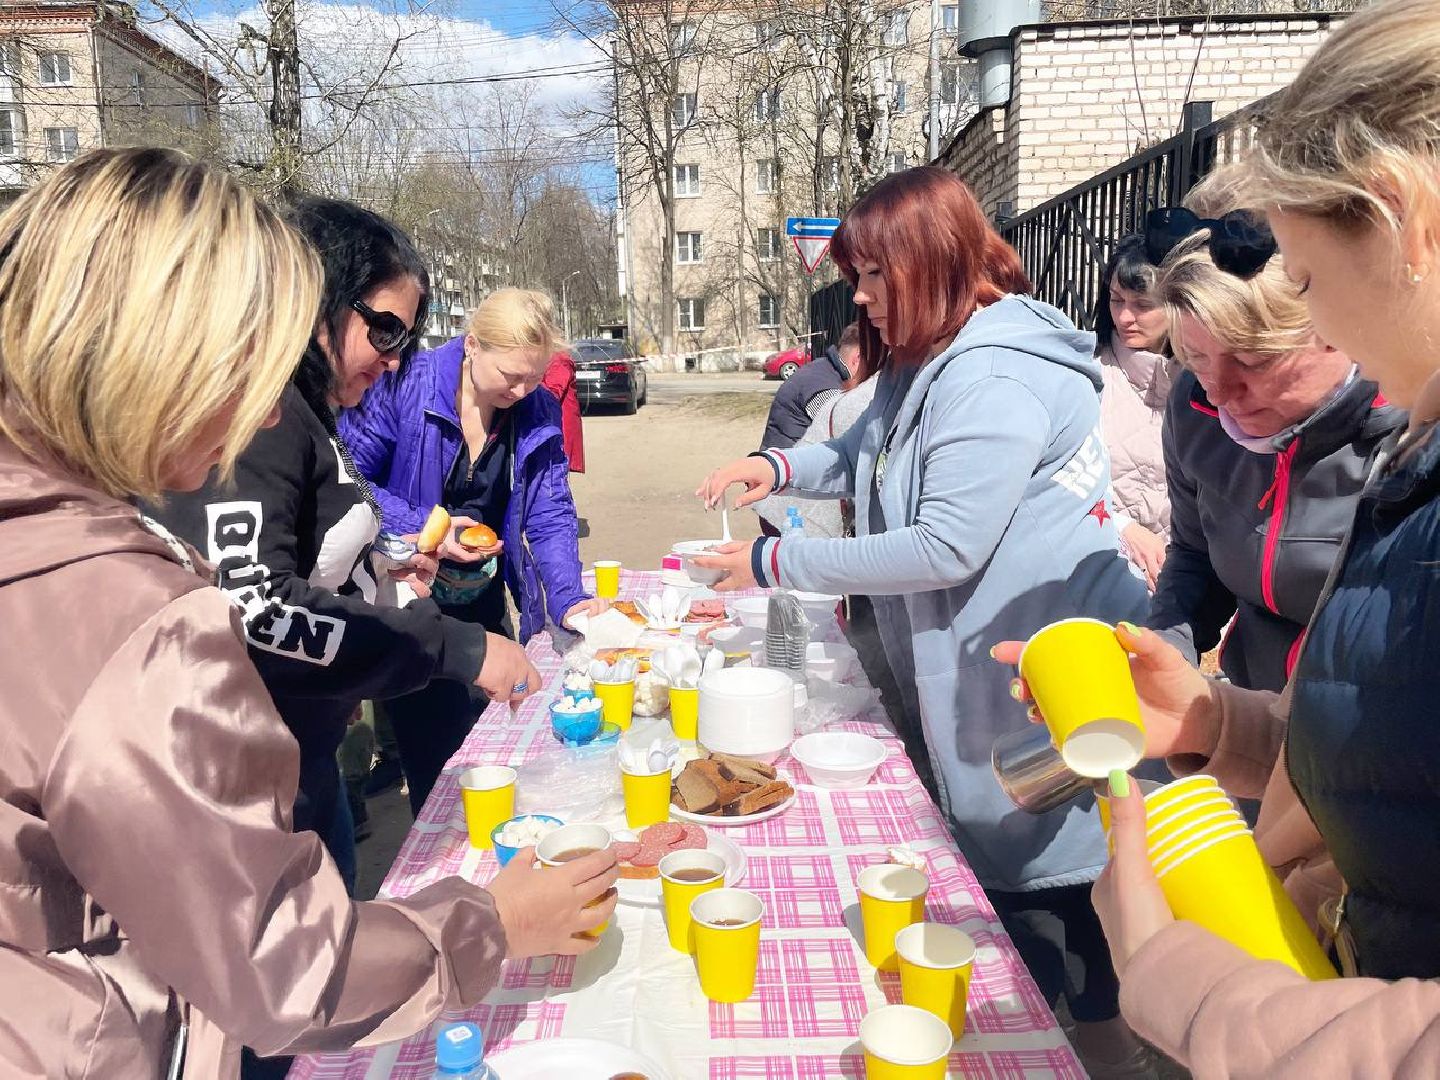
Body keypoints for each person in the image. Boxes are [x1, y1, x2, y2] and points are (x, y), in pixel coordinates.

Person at [0, 147, 618, 1080]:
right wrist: (490, 920)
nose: (255, 405)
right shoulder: (125, 611)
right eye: (245, 350)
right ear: (151, 344)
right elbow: (282, 964)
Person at [998, 2, 1440, 1071]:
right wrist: (1217, 717)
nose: (1327, 324)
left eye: (1315, 280)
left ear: (1402, 220)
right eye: (1199, 373)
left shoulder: (1393, 435)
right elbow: (1396, 727)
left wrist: (1182, 984)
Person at [695, 166, 1153, 1074]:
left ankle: (1095, 1052)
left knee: (1060, 892)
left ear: (931, 261)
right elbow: (867, 446)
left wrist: (773, 559)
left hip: (1044, 680)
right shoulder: (930, 357)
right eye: (855, 277)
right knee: (1027, 883)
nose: (861, 298)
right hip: (990, 667)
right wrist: (779, 471)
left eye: (872, 275)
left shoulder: (993, 376)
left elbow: (944, 546)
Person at [150, 197, 540, 902]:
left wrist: (384, 567)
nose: (392, 361)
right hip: (253, 789)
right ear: (314, 296)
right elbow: (251, 608)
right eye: (383, 329)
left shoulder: (310, 409)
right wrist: (460, 648)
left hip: (307, 759)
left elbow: (303, 552)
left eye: (407, 341)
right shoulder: (261, 416)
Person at [340, 288, 603, 815]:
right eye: (512, 375)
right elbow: (350, 476)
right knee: (436, 759)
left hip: (483, 600)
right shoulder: (403, 383)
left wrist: (568, 597)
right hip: (410, 598)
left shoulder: (536, 406)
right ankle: (441, 876)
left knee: (495, 742)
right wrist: (426, 530)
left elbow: (550, 511)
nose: (524, 389)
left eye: (535, 376)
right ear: (472, 345)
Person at [1142, 174, 1402, 693]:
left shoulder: (1410, 435)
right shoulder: (1196, 411)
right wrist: (1159, 650)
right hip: (1254, 720)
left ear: (1334, 323)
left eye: (1253, 360)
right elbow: (1195, 554)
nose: (1218, 393)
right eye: (1195, 358)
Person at [1095, 235, 1173, 589]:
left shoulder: (1213, 381)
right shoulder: (1087, 375)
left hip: (1191, 582)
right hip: (1102, 570)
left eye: (1142, 304)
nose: (1125, 316)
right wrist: (1122, 527)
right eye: (1116, 301)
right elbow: (1056, 479)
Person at [753, 323, 867, 538]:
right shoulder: (821, 386)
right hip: (789, 508)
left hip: (785, 493)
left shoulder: (824, 371)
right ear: (858, 358)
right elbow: (845, 431)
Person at [758, 331, 854, 451]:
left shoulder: (824, 368)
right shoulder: (823, 387)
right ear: (857, 358)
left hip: (785, 457)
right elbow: (842, 430)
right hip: (788, 463)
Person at [542, 348, 586, 472]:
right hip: (553, 428)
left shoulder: (559, 359)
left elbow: (552, 393)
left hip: (559, 431)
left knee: (554, 483)